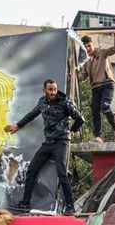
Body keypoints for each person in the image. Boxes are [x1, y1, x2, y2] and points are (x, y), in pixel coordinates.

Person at [5, 79, 84, 215]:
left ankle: (70, 206)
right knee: (31, 170)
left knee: (62, 173)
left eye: (54, 89)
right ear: (45, 90)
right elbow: (32, 114)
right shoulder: (42, 102)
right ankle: (25, 203)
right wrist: (18, 125)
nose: (53, 92)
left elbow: (80, 119)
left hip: (61, 141)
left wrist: (71, 131)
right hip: (48, 142)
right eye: (50, 90)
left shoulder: (65, 102)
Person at [79, 34, 115, 142]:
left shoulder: (102, 52)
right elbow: (83, 76)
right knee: (95, 111)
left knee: (105, 107)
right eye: (85, 47)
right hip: (95, 88)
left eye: (89, 46)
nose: (88, 49)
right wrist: (73, 75)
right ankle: (98, 136)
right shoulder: (86, 60)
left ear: (93, 44)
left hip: (107, 85)